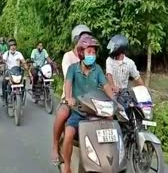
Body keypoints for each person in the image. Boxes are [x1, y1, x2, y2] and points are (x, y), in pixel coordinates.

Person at [62, 35, 121, 173]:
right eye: (89, 52)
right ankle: (66, 165)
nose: (92, 55)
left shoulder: (98, 69)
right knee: (69, 133)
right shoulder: (72, 68)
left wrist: (114, 101)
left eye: (94, 53)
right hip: (79, 112)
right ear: (81, 53)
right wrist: (69, 97)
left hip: (96, 112)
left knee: (112, 128)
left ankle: (110, 162)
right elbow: (68, 84)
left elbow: (106, 86)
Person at [52, 24, 92, 162]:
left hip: (89, 99)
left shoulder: (90, 57)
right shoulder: (67, 57)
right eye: (83, 39)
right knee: (63, 113)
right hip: (70, 97)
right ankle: (55, 145)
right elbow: (70, 78)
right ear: (76, 40)